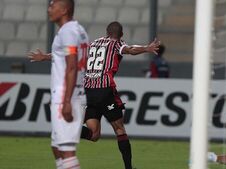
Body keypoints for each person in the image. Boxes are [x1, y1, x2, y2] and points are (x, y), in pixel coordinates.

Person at [80, 21, 160, 169]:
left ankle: (71, 129)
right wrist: (147, 48)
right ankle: (129, 168)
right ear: (121, 34)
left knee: (93, 135)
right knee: (119, 129)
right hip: (105, 91)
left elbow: (70, 54)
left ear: (106, 32)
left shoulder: (94, 43)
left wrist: (45, 57)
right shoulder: (116, 43)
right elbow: (130, 50)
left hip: (89, 92)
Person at [28, 0, 89, 168]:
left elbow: (72, 66)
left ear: (64, 10)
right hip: (70, 94)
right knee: (57, 147)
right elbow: (68, 57)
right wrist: (47, 57)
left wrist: (67, 101)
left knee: (67, 150)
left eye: (52, 6)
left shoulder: (67, 32)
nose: (49, 10)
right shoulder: (78, 30)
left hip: (67, 96)